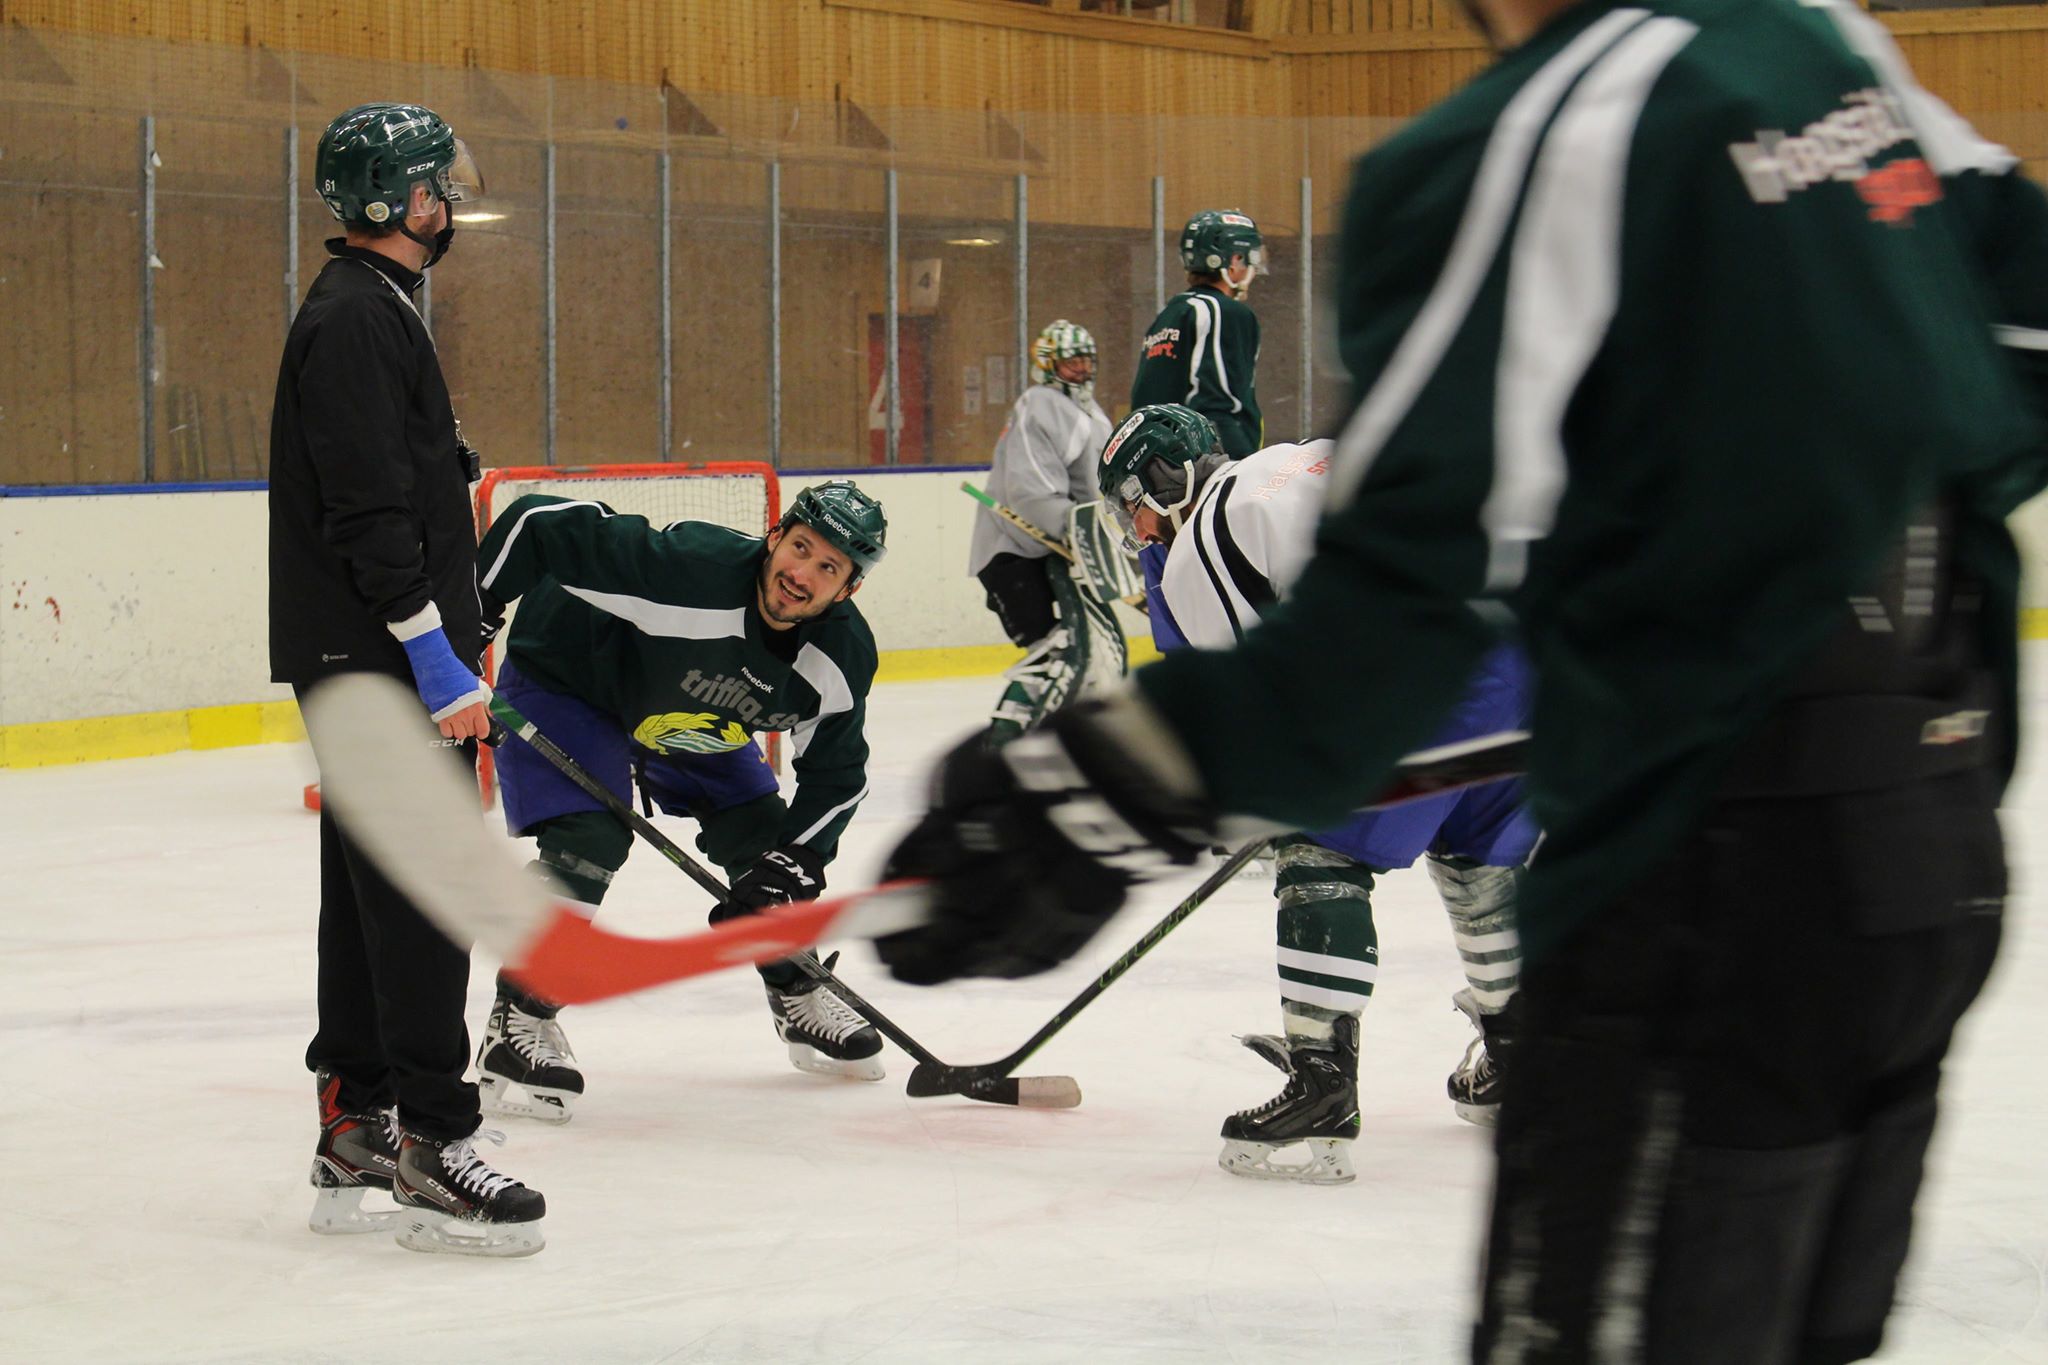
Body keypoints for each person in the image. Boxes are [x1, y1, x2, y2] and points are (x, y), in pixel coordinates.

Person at [878, 3, 2048, 1359]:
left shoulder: (1525, 139)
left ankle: (1335, 1066)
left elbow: (1387, 623)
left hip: (1708, 896)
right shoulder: (1826, 41)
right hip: (1928, 859)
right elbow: (2020, 344)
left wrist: (1099, 792)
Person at [1102, 403, 1535, 1184]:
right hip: (1521, 657)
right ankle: (1522, 1054)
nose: (1136, 528)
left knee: (1317, 845)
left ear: (1165, 481)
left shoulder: (1206, 536)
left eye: (1130, 504)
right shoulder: (1300, 461)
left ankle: (1322, 1080)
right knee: (1476, 855)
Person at [270, 102, 544, 1257]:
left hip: (365, 661)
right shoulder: (354, 320)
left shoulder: (373, 307)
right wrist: (434, 657)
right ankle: (435, 1141)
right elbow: (366, 516)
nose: (449, 203)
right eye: (437, 185)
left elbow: (390, 481)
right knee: (429, 897)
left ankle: (356, 1120)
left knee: (366, 893)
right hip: (382, 663)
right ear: (400, 199)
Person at [471, 479, 890, 1118]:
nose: (802, 574)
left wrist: (796, 863)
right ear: (775, 536)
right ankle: (518, 1018)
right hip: (570, 676)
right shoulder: (690, 569)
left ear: (848, 589)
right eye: (800, 548)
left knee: (769, 847)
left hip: (681, 703)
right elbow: (538, 522)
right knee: (590, 838)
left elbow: (838, 776)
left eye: (828, 567)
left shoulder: (839, 656)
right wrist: (469, 616)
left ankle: (795, 989)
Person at [970, 319, 1122, 746]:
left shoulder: (1089, 412)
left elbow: (1097, 488)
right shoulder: (1039, 405)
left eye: (1087, 361)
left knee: (1091, 651)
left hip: (1053, 553)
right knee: (1060, 654)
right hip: (1014, 553)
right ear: (1047, 364)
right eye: (1072, 362)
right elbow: (1031, 492)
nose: (1082, 370)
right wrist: (1080, 529)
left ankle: (1069, 741)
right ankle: (1004, 742)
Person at [1131, 210, 1264, 457]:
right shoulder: (1224, 311)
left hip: (1158, 461)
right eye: (1250, 258)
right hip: (1204, 461)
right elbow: (1220, 404)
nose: (1252, 268)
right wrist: (1240, 463)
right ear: (1234, 260)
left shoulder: (1171, 313)